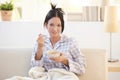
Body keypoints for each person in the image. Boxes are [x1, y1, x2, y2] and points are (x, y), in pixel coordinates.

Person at [31, 3, 86, 76]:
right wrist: (40, 48)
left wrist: (65, 60)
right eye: (51, 25)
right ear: (46, 25)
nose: (55, 29)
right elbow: (34, 68)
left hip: (65, 77)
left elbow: (82, 69)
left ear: (62, 27)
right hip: (46, 77)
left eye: (58, 25)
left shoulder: (71, 42)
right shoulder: (40, 42)